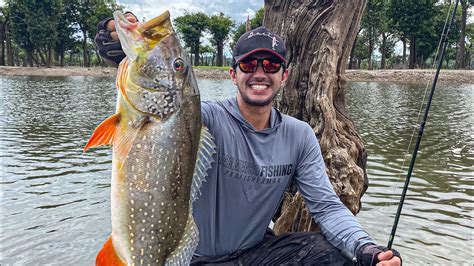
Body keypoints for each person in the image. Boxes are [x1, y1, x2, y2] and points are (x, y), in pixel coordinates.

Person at [94, 12, 402, 266]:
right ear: (233, 73)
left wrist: (366, 249)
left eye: (270, 65)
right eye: (248, 64)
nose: (259, 73)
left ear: (284, 75)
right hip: (191, 259)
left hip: (254, 256)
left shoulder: (299, 135)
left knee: (333, 255)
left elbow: (326, 207)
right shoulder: (206, 118)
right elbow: (169, 111)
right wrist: (121, 52)